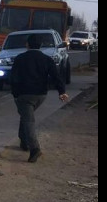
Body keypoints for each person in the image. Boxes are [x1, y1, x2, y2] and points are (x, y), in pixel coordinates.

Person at [10, 33, 70, 162]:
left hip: (24, 95)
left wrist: (15, 94)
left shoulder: (20, 58)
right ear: (41, 45)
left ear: (27, 44)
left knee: (28, 121)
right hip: (41, 95)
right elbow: (56, 76)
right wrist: (61, 92)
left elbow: (13, 77)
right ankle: (24, 141)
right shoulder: (47, 59)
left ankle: (35, 149)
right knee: (26, 116)